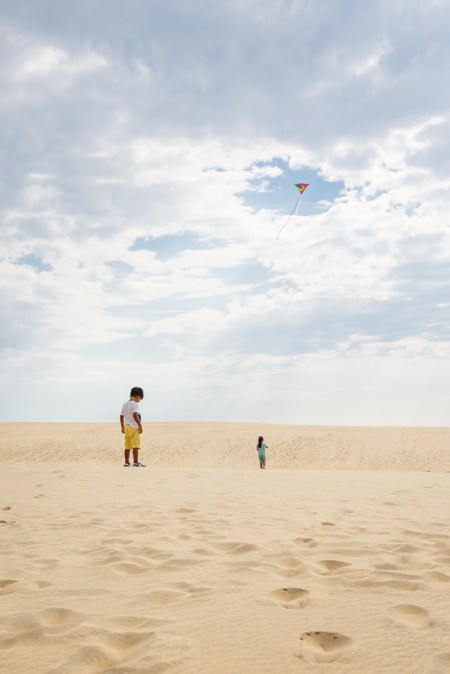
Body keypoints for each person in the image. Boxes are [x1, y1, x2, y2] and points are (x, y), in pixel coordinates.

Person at [120, 387, 145, 467]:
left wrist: (122, 427)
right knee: (136, 445)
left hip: (127, 427)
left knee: (127, 446)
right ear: (137, 396)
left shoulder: (125, 404)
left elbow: (121, 416)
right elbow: (135, 415)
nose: (139, 401)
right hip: (134, 427)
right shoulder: (135, 404)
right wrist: (140, 426)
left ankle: (127, 462)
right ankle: (135, 462)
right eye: (139, 399)